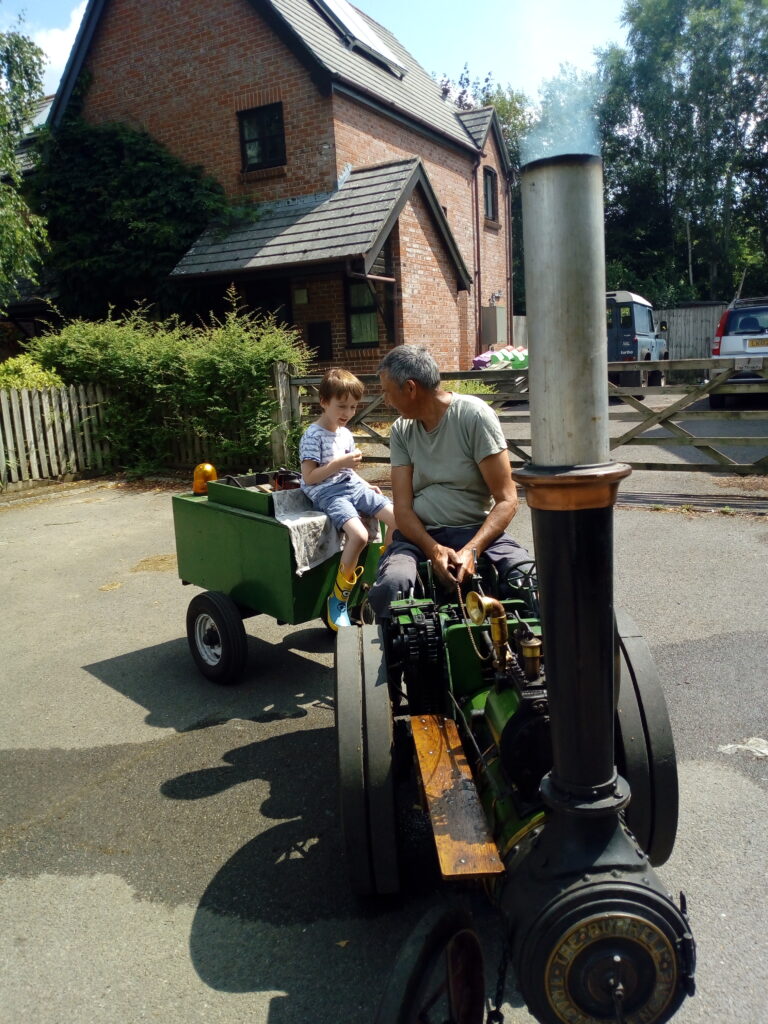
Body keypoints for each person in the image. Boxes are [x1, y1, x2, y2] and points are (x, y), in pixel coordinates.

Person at [368, 345, 529, 620]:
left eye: (386, 391)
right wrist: (433, 550)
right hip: (418, 539)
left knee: (526, 579)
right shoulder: (402, 431)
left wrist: (471, 551)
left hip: (477, 534)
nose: (385, 400)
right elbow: (403, 511)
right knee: (392, 585)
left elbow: (507, 500)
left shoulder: (474, 416)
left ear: (410, 388)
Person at [299, 368, 396, 630]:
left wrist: (368, 485)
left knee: (398, 520)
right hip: (327, 491)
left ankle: (382, 580)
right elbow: (309, 478)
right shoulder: (312, 435)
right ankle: (338, 599)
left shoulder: (345, 433)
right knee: (360, 536)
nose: (348, 413)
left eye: (353, 407)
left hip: (351, 485)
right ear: (324, 402)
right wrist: (339, 462)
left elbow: (349, 473)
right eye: (342, 406)